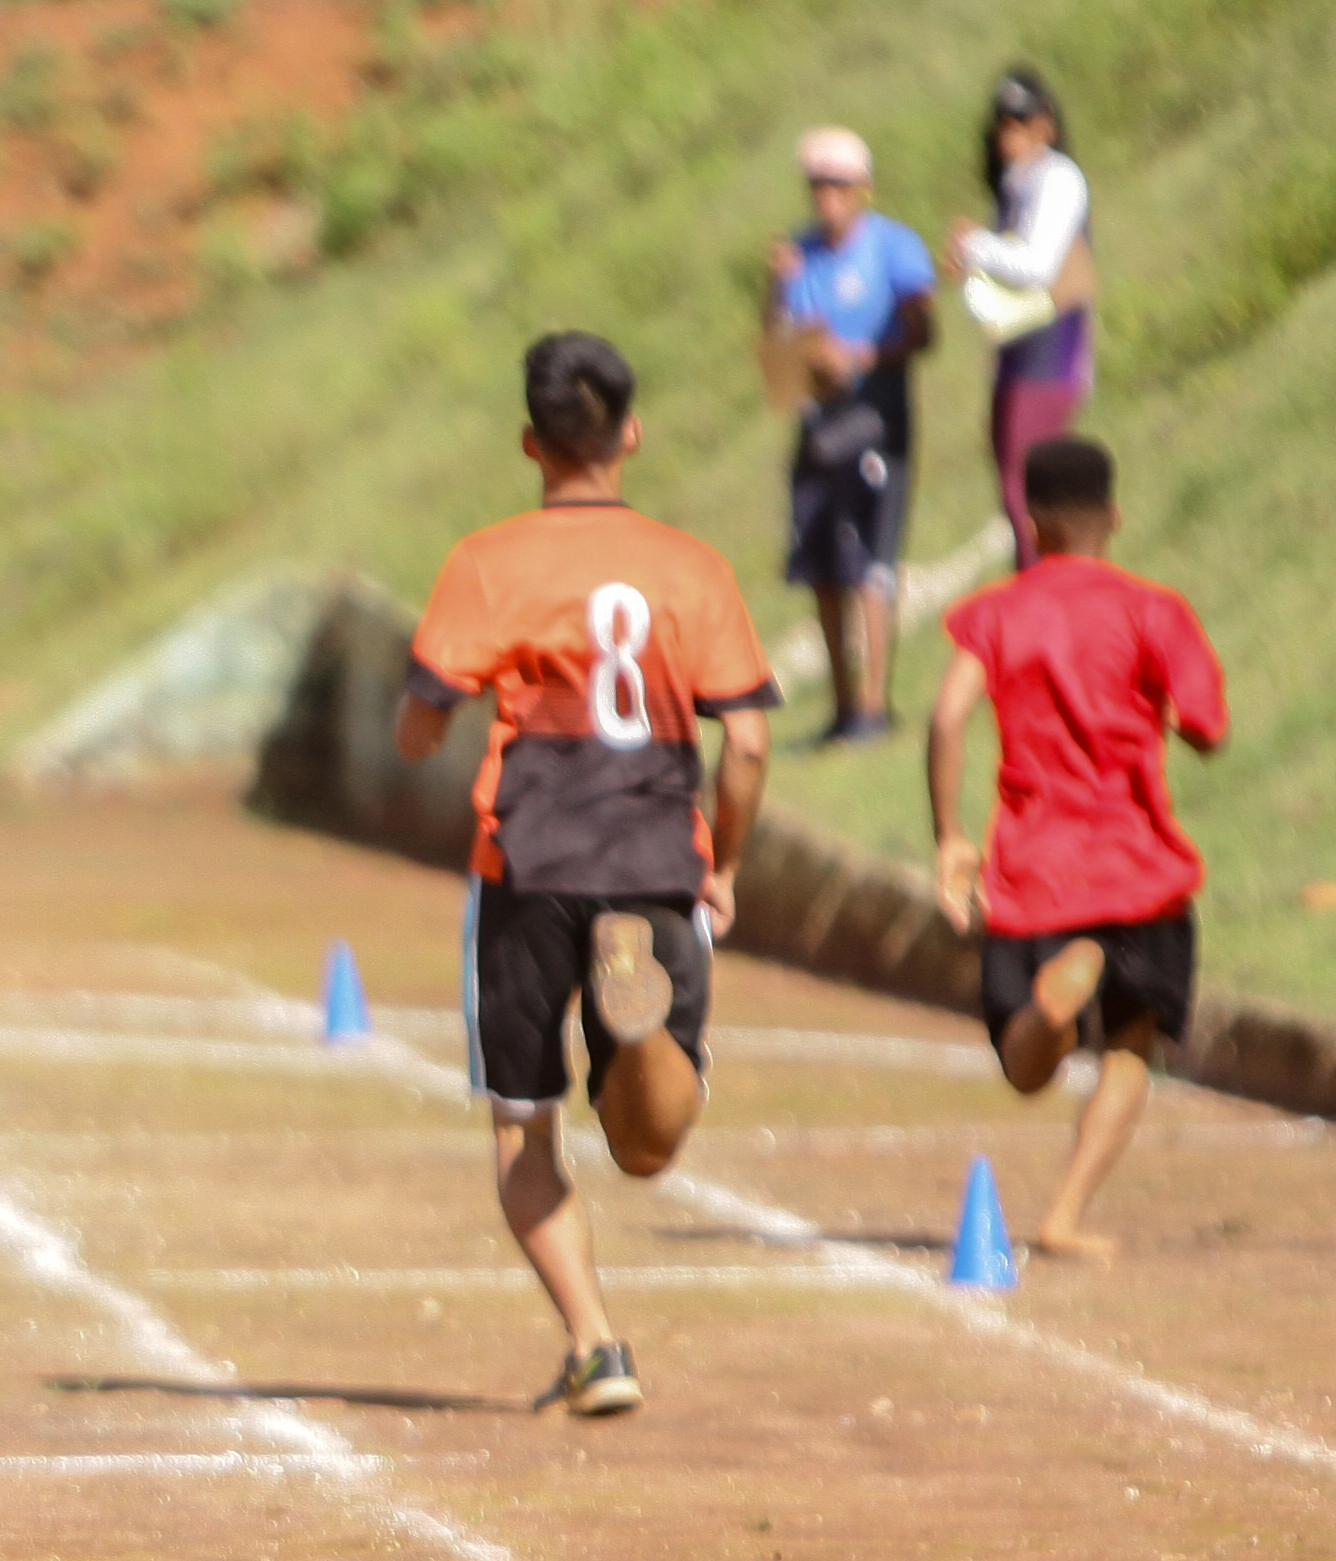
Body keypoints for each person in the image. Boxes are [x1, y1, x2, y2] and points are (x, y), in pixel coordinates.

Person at [394, 332, 778, 1420]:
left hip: (527, 856)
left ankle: (596, 1344)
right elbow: (745, 742)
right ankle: (643, 1026)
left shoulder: (486, 560)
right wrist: (729, 862)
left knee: (523, 1123)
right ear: (632, 435)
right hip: (657, 858)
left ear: (531, 442)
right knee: (651, 1145)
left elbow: (422, 719)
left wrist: (420, 726)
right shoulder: (689, 566)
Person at [930, 433, 1228, 1264]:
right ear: (1114, 516)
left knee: (1025, 1069)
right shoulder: (1153, 610)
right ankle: (1064, 1213)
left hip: (1034, 873)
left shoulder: (993, 613)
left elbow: (948, 716)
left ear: (1029, 520)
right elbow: (1209, 726)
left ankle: (1047, 1011)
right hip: (1139, 872)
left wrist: (951, 837)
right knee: (1133, 1045)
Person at [755, 126, 941, 743]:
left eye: (837, 184)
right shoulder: (800, 256)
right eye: (817, 185)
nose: (826, 197)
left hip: (875, 411)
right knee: (823, 561)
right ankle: (842, 704)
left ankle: (872, 702)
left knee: (872, 561)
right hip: (819, 418)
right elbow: (778, 342)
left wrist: (860, 357)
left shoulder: (893, 248)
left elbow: (921, 331)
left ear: (860, 188)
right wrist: (778, 290)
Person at [948, 69, 1099, 565]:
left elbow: (1037, 264)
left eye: (1021, 119)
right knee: (1017, 490)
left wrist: (976, 245)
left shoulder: (1056, 178)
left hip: (1050, 358)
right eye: (1002, 122)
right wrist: (971, 265)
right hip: (1018, 355)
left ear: (1045, 125)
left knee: (1027, 492)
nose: (1009, 131)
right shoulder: (1016, 189)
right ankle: (1039, 594)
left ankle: (1048, 599)